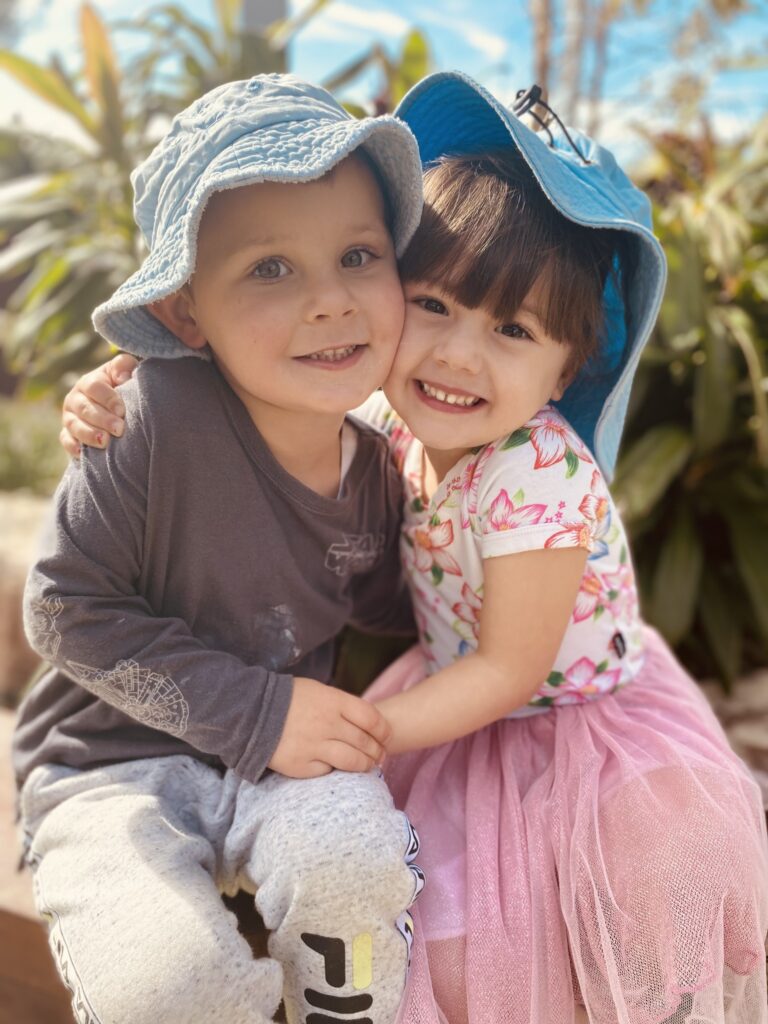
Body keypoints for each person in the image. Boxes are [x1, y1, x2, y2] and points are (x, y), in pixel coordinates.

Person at [59, 72, 768, 1024]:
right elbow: (260, 376)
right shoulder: (393, 418)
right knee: (415, 912)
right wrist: (119, 382)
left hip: (563, 728)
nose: (456, 355)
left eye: (512, 330)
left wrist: (371, 731)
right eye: (432, 305)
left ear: (567, 369)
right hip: (448, 696)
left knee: (555, 940)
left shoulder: (536, 474)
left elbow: (513, 668)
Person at [14, 74, 427, 1024]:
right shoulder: (150, 420)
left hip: (275, 769)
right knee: (168, 987)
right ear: (183, 314)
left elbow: (390, 611)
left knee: (356, 875)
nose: (331, 301)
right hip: (104, 766)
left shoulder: (374, 470)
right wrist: (258, 708)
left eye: (360, 254)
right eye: (270, 269)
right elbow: (64, 610)